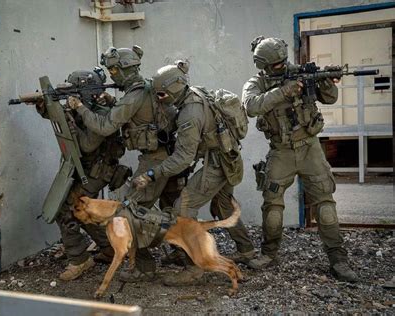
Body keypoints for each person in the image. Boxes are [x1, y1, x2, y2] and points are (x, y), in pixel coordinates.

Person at [241, 36, 358, 282]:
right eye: (276, 65)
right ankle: (269, 253)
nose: (283, 66)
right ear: (263, 66)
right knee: (272, 205)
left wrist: (326, 82)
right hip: (281, 151)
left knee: (325, 204)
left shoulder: (300, 72)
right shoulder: (257, 83)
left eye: (284, 61)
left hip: (310, 148)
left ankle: (338, 259)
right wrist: (283, 91)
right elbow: (251, 106)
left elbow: (330, 98)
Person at [68, 46, 186, 282]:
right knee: (173, 208)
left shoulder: (134, 94)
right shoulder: (147, 86)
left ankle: (144, 266)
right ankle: (184, 254)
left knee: (129, 212)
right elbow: (140, 112)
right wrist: (113, 100)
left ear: (124, 69)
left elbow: (105, 127)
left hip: (155, 159)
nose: (111, 75)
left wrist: (79, 108)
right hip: (168, 156)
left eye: (113, 70)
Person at [133, 61, 255, 286]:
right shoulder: (196, 92)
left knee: (182, 209)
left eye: (161, 94)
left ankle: (193, 268)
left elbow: (183, 158)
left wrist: (151, 174)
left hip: (217, 165)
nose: (160, 99)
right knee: (224, 205)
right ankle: (247, 251)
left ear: (173, 90)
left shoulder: (189, 114)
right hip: (228, 157)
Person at [35, 69, 130, 281]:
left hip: (97, 171)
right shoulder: (86, 106)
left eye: (75, 92)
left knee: (67, 210)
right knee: (85, 212)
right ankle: (108, 248)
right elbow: (60, 117)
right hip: (81, 169)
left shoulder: (102, 113)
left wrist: (71, 112)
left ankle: (79, 259)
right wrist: (45, 106)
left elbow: (86, 145)